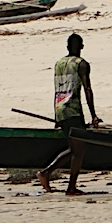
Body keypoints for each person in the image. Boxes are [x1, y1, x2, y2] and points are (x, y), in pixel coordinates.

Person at [39, 33, 99, 195]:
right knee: (79, 150)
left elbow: (58, 89)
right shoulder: (82, 64)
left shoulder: (59, 63)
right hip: (72, 110)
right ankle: (69, 186)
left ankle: (47, 174)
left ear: (67, 47)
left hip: (60, 109)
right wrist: (93, 115)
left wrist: (56, 115)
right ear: (82, 47)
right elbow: (87, 89)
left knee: (75, 149)